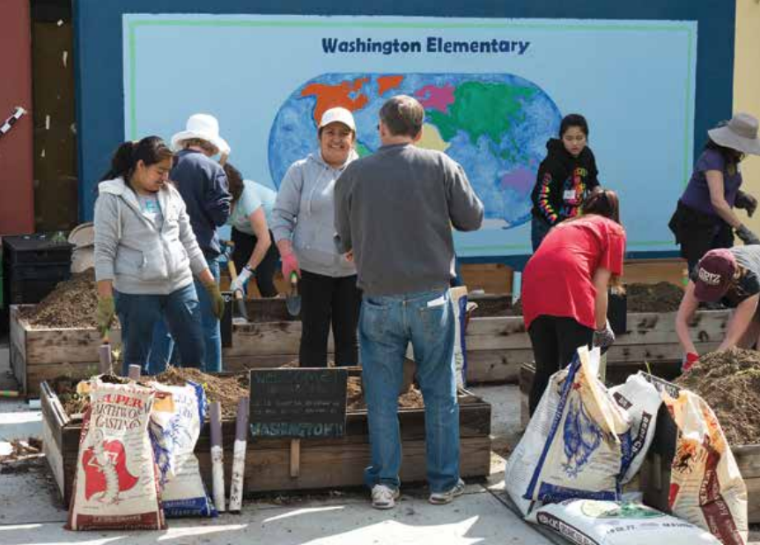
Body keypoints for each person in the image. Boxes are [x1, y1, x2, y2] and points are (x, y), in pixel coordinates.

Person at [334, 95, 484, 509]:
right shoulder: (441, 165)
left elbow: (343, 239)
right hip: (431, 298)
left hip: (378, 299)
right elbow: (472, 218)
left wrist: (354, 244)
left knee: (381, 395)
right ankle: (442, 482)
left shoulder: (355, 172)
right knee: (439, 391)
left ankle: (384, 483)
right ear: (419, 134)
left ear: (381, 128)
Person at [93, 137, 225, 374]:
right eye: (160, 171)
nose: (165, 178)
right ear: (141, 165)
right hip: (137, 291)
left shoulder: (171, 195)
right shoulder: (112, 198)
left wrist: (211, 286)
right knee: (136, 360)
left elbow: (189, 242)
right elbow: (104, 251)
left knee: (195, 352)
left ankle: (195, 404)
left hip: (179, 285)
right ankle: (138, 406)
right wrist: (105, 299)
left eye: (168, 172)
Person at [271, 107, 362, 368]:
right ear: (319, 136)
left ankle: (348, 398)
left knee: (349, 338)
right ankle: (314, 400)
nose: (337, 138)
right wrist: (287, 254)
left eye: (344, 133)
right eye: (330, 132)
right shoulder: (300, 170)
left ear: (353, 138)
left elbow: (376, 217)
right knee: (313, 337)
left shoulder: (364, 171)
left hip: (352, 273)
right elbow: (281, 216)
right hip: (309, 270)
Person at [521, 190, 625, 415]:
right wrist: (601, 327)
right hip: (570, 284)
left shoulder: (564, 225)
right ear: (614, 213)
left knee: (545, 369)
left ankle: (536, 439)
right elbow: (600, 286)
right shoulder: (612, 230)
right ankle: (570, 441)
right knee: (575, 373)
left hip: (533, 285)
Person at [149, 114, 232, 373]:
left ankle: (157, 382)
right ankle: (210, 386)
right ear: (210, 144)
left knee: (164, 326)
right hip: (202, 259)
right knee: (208, 326)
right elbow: (220, 215)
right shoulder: (213, 169)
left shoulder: (164, 167)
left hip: (165, 257)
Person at [669, 113, 760, 273]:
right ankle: (695, 297)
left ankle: (717, 298)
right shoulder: (712, 158)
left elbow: (726, 186)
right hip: (697, 223)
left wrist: (740, 197)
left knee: (723, 267)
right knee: (701, 273)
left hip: (720, 223)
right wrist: (743, 230)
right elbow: (717, 201)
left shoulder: (732, 159)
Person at [676, 246, 760, 371]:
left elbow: (732, 338)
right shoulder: (703, 269)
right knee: (735, 353)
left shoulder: (749, 282)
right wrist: (690, 353)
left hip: (753, 280)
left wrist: (709, 367)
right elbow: (681, 320)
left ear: (730, 282)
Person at [530, 114, 600, 251]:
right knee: (547, 269)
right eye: (569, 138)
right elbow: (542, 200)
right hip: (546, 225)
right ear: (561, 138)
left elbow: (592, 179)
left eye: (579, 138)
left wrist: (597, 193)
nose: (575, 143)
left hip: (574, 222)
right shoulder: (552, 163)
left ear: (586, 137)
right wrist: (559, 223)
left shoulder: (587, 155)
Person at [223, 163, 279, 297]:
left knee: (263, 279)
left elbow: (264, 240)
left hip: (272, 230)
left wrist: (246, 273)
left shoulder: (248, 196)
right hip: (243, 230)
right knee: (235, 278)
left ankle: (277, 315)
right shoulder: (210, 200)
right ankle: (241, 316)